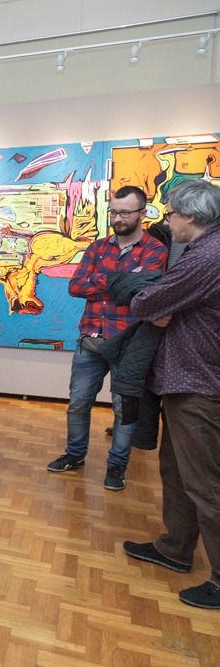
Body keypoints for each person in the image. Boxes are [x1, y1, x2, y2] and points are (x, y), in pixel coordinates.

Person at [123, 179, 220, 610]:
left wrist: (150, 301)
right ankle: (175, 548)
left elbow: (147, 302)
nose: (168, 221)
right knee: (177, 472)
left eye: (171, 214)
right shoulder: (204, 251)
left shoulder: (208, 255)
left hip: (200, 383)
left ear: (192, 216)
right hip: (185, 380)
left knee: (206, 484)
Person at [46, 186, 167, 491]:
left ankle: (116, 467)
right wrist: (119, 280)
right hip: (90, 339)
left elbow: (142, 290)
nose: (117, 218)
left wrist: (103, 281)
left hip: (128, 343)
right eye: (114, 212)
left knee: (123, 410)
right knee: (78, 403)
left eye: (125, 212)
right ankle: (75, 455)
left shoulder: (155, 250)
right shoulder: (97, 248)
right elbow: (76, 286)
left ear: (142, 213)